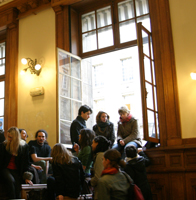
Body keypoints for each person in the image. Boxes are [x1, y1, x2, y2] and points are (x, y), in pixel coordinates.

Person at [0, 127, 33, 199]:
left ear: (16, 137)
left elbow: (26, 162)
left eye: (10, 137)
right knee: (11, 181)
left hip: (17, 170)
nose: (9, 139)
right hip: (5, 169)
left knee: (17, 186)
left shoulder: (23, 146)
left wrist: (27, 177)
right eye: (8, 137)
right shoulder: (4, 145)